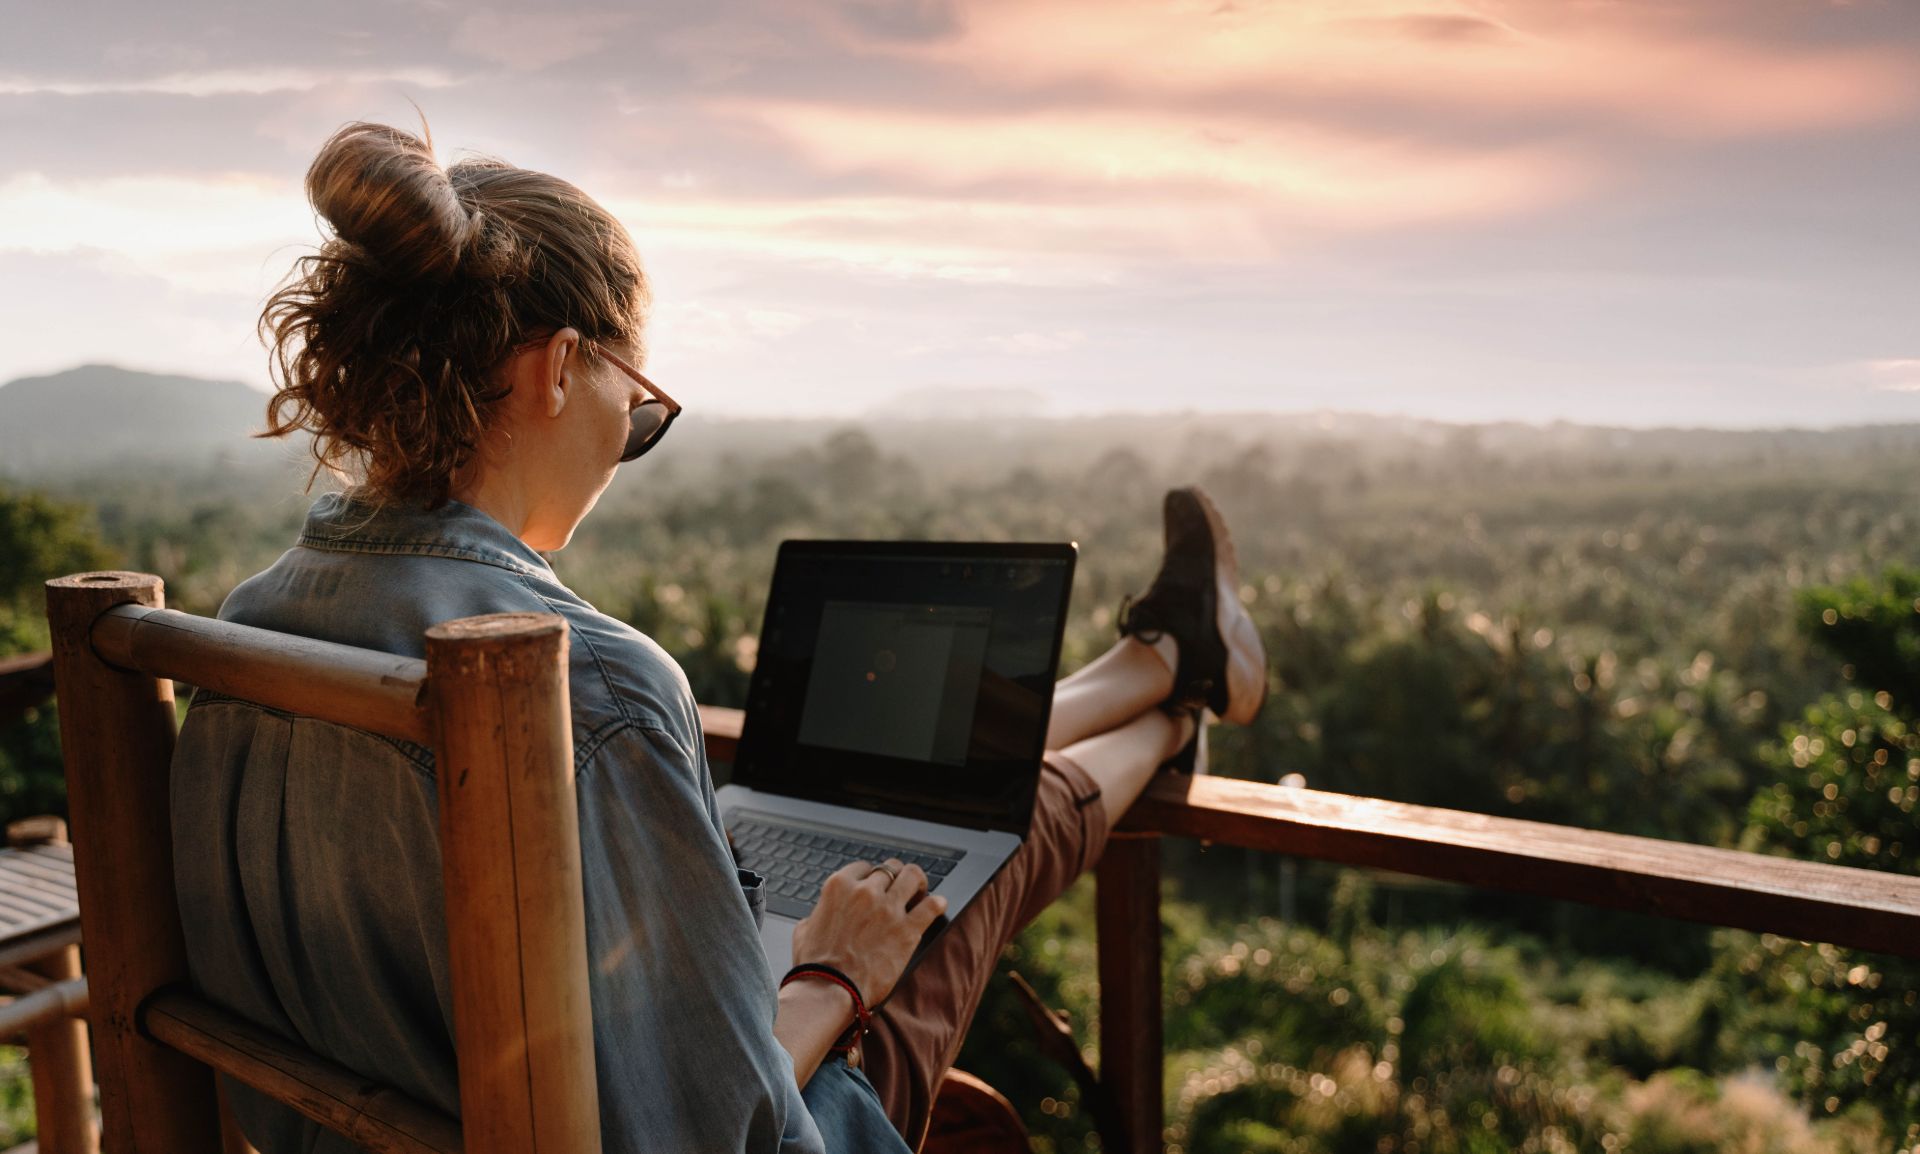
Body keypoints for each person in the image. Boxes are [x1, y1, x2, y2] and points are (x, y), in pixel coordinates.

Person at [170, 121, 1269, 1153]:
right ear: (559, 367)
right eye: (637, 405)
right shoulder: (586, 683)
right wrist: (835, 973)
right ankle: (1174, 691)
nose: (626, 439)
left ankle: (1165, 668)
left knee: (933, 813)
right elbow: (721, 1133)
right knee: (962, 860)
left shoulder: (244, 631)